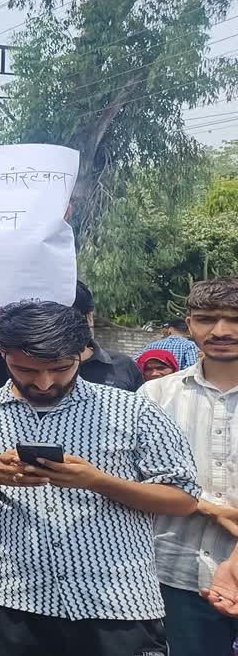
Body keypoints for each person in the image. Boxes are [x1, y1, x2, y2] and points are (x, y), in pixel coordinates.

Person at [0, 300, 199, 656]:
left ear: (82, 354)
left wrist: (98, 481)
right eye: (25, 369)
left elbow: (183, 498)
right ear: (3, 353)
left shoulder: (133, 410)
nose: (44, 382)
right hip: (13, 599)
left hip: (117, 602)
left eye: (60, 368)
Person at [141, 278, 238, 655]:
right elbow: (133, 480)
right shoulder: (154, 396)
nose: (221, 331)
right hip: (178, 574)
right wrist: (209, 508)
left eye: (234, 319)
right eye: (207, 319)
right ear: (190, 324)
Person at [0, 280, 143, 393]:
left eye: (61, 369)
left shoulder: (123, 368)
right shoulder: (5, 358)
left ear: (88, 318)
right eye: (27, 370)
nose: (44, 385)